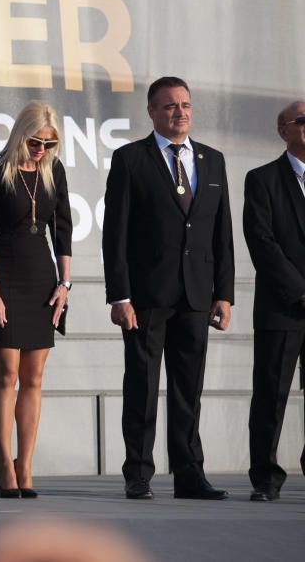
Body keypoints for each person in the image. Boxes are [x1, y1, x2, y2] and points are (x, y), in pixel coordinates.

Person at [102, 76, 234, 500]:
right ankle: (138, 472)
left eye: (185, 105)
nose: (180, 112)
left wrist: (224, 294)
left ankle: (189, 474)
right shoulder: (130, 159)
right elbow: (115, 235)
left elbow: (222, 234)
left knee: (187, 388)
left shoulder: (212, 161)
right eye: (170, 106)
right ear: (152, 112)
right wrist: (119, 296)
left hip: (197, 295)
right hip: (145, 296)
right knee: (141, 385)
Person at [0, 101, 71, 498]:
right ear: (20, 135)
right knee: (8, 375)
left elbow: (62, 230)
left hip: (42, 280)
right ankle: (3, 463)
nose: (41, 149)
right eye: (34, 141)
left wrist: (65, 284)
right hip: (5, 279)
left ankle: (25, 465)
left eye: (49, 143)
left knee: (33, 377)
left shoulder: (54, 172)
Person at [244, 100, 305, 502]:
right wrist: (299, 290)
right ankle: (265, 477)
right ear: (283, 130)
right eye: (302, 120)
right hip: (284, 307)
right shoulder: (263, 179)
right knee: (271, 394)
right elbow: (261, 241)